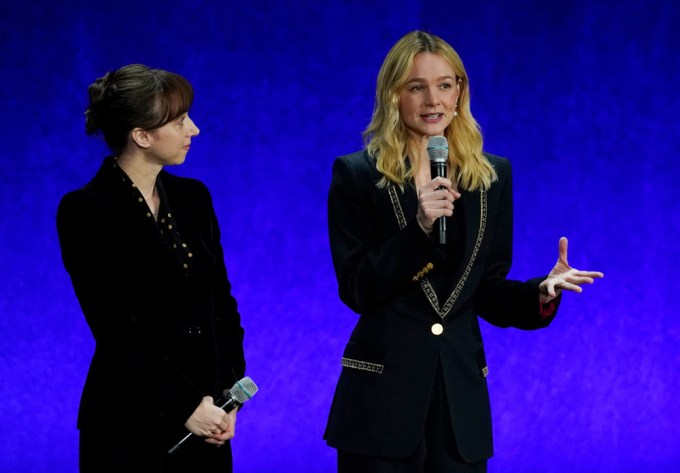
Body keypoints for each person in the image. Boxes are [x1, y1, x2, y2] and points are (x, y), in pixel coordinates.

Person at [324, 31, 604, 473]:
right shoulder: (358, 174)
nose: (432, 98)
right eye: (416, 86)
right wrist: (418, 230)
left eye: (445, 84)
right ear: (394, 95)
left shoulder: (492, 176)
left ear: (460, 93)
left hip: (460, 407)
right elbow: (359, 289)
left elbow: (486, 290)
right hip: (380, 404)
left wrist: (541, 292)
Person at [57, 64, 246, 472]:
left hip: (208, 412)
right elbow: (115, 328)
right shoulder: (85, 211)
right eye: (180, 121)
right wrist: (184, 406)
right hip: (131, 418)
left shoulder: (194, 198)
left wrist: (228, 399)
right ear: (141, 136)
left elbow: (221, 305)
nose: (193, 129)